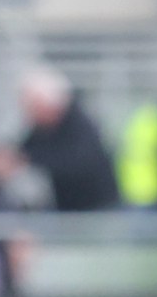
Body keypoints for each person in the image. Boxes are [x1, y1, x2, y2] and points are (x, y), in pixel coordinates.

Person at [17, 66, 120, 212]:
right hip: (66, 208)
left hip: (95, 210)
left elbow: (76, 163)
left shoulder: (81, 127)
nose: (29, 114)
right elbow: (25, 150)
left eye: (33, 107)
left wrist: (30, 160)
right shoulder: (42, 128)